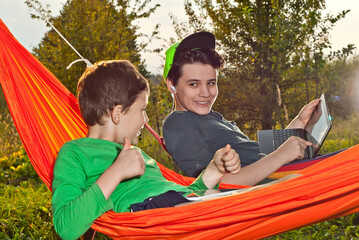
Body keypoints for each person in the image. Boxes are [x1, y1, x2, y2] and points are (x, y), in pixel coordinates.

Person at [51, 60, 241, 239]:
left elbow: (182, 194)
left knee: (239, 201)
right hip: (149, 215)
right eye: (142, 110)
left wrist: (213, 171)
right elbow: (66, 228)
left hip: (179, 206)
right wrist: (116, 172)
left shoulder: (136, 153)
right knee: (228, 205)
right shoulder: (74, 153)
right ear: (117, 113)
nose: (146, 120)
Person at [162, 32, 319, 185]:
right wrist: (280, 156)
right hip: (267, 189)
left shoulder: (212, 117)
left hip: (279, 172)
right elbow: (211, 184)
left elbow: (262, 158)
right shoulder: (178, 123)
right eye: (194, 84)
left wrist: (301, 123)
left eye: (211, 83)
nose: (205, 93)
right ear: (172, 85)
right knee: (338, 167)